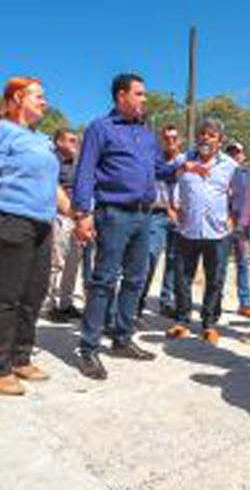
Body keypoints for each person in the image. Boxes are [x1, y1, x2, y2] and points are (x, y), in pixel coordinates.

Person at [71, 73, 199, 380]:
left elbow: (158, 170)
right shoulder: (100, 128)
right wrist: (82, 214)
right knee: (104, 280)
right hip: (113, 213)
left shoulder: (145, 133)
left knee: (136, 279)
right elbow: (85, 171)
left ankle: (122, 339)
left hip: (144, 215)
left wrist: (181, 168)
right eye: (139, 94)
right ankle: (88, 349)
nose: (144, 99)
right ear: (121, 96)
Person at [0, 76, 69, 396]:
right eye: (38, 95)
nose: (44, 101)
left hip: (41, 225)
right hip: (11, 221)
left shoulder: (43, 141)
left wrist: (76, 213)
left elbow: (52, 186)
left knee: (34, 294)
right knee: (8, 296)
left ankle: (21, 357)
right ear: (18, 97)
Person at [167, 119, 238, 344]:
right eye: (202, 134)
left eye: (211, 135)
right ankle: (182, 320)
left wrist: (233, 218)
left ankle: (209, 323)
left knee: (215, 279)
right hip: (187, 230)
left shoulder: (230, 165)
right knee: (182, 276)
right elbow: (168, 182)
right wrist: (172, 208)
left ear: (220, 140)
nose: (205, 138)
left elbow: (240, 194)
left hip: (217, 232)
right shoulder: (183, 160)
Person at [136, 124, 185, 324]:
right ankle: (136, 304)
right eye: (166, 138)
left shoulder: (187, 161)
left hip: (182, 217)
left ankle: (167, 301)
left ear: (180, 140)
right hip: (158, 213)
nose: (170, 142)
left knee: (175, 261)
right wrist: (167, 207)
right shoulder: (155, 161)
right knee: (149, 257)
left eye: (174, 138)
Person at [45, 128, 84, 323]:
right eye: (70, 140)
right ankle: (48, 305)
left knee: (73, 261)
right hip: (59, 216)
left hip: (77, 217)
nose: (74, 144)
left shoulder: (78, 163)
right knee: (56, 262)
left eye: (75, 140)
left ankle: (66, 304)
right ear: (58, 142)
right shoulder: (52, 162)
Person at [225, 141, 250, 318]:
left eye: (237, 152)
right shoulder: (220, 172)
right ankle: (214, 303)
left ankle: (245, 302)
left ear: (243, 154)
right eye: (231, 152)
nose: (234, 155)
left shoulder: (249, 173)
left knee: (242, 263)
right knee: (219, 264)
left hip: (242, 225)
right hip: (223, 224)